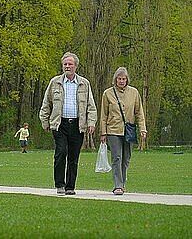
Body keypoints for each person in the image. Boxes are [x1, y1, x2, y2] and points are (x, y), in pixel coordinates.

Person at [39, 52, 97, 195]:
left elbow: (91, 105)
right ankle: (59, 184)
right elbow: (46, 103)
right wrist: (44, 120)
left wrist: (91, 122)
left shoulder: (84, 83)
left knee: (73, 156)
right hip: (60, 124)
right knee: (61, 152)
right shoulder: (55, 82)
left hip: (78, 125)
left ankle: (70, 187)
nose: (67, 66)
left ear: (75, 66)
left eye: (70, 64)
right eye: (65, 64)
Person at [99, 67, 147, 195]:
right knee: (117, 157)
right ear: (115, 79)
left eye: (123, 79)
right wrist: (103, 132)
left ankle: (123, 182)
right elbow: (104, 114)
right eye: (119, 79)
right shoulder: (107, 93)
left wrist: (143, 128)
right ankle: (118, 185)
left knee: (126, 158)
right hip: (113, 130)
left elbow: (139, 112)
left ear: (127, 80)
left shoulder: (134, 92)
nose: (121, 81)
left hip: (129, 130)